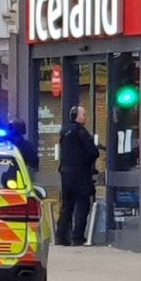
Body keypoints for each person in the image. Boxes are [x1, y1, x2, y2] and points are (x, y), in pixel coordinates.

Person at [57, 105, 100, 246]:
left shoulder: (64, 132)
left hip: (65, 174)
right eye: (83, 115)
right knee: (82, 204)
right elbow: (93, 152)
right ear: (77, 116)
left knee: (67, 206)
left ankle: (61, 237)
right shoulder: (81, 132)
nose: (85, 117)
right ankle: (77, 237)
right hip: (80, 175)